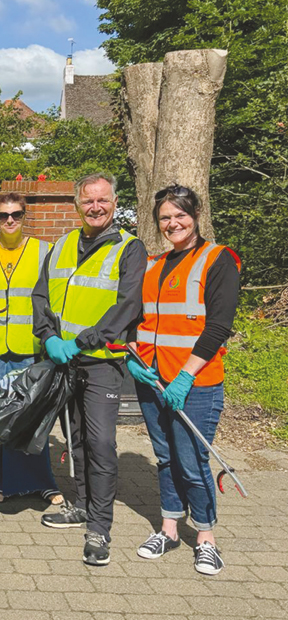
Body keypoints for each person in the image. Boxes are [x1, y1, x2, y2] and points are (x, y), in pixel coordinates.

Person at [32, 173, 147, 567]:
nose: (95, 207)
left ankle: (99, 528)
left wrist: (80, 342)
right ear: (76, 204)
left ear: (115, 203)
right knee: (75, 438)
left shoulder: (129, 248)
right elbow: (41, 296)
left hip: (102, 364)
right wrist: (48, 338)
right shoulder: (62, 245)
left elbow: (127, 307)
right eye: (88, 201)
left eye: (103, 200)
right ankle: (80, 505)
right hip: (64, 363)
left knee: (100, 445)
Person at [129, 185, 240, 576]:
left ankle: (207, 540)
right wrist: (136, 362)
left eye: (180, 215)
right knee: (165, 458)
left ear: (195, 215)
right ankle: (169, 529)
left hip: (195, 383)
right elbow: (142, 322)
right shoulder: (154, 265)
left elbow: (218, 327)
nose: (172, 223)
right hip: (152, 380)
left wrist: (184, 376)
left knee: (192, 461)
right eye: (165, 218)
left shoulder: (218, 260)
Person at [0, 193, 62, 505]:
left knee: (29, 416)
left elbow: (52, 301)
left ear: (25, 217)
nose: (10, 221)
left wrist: (49, 342)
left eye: (16, 215)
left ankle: (34, 482)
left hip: (30, 348)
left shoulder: (44, 251)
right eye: (3, 215)